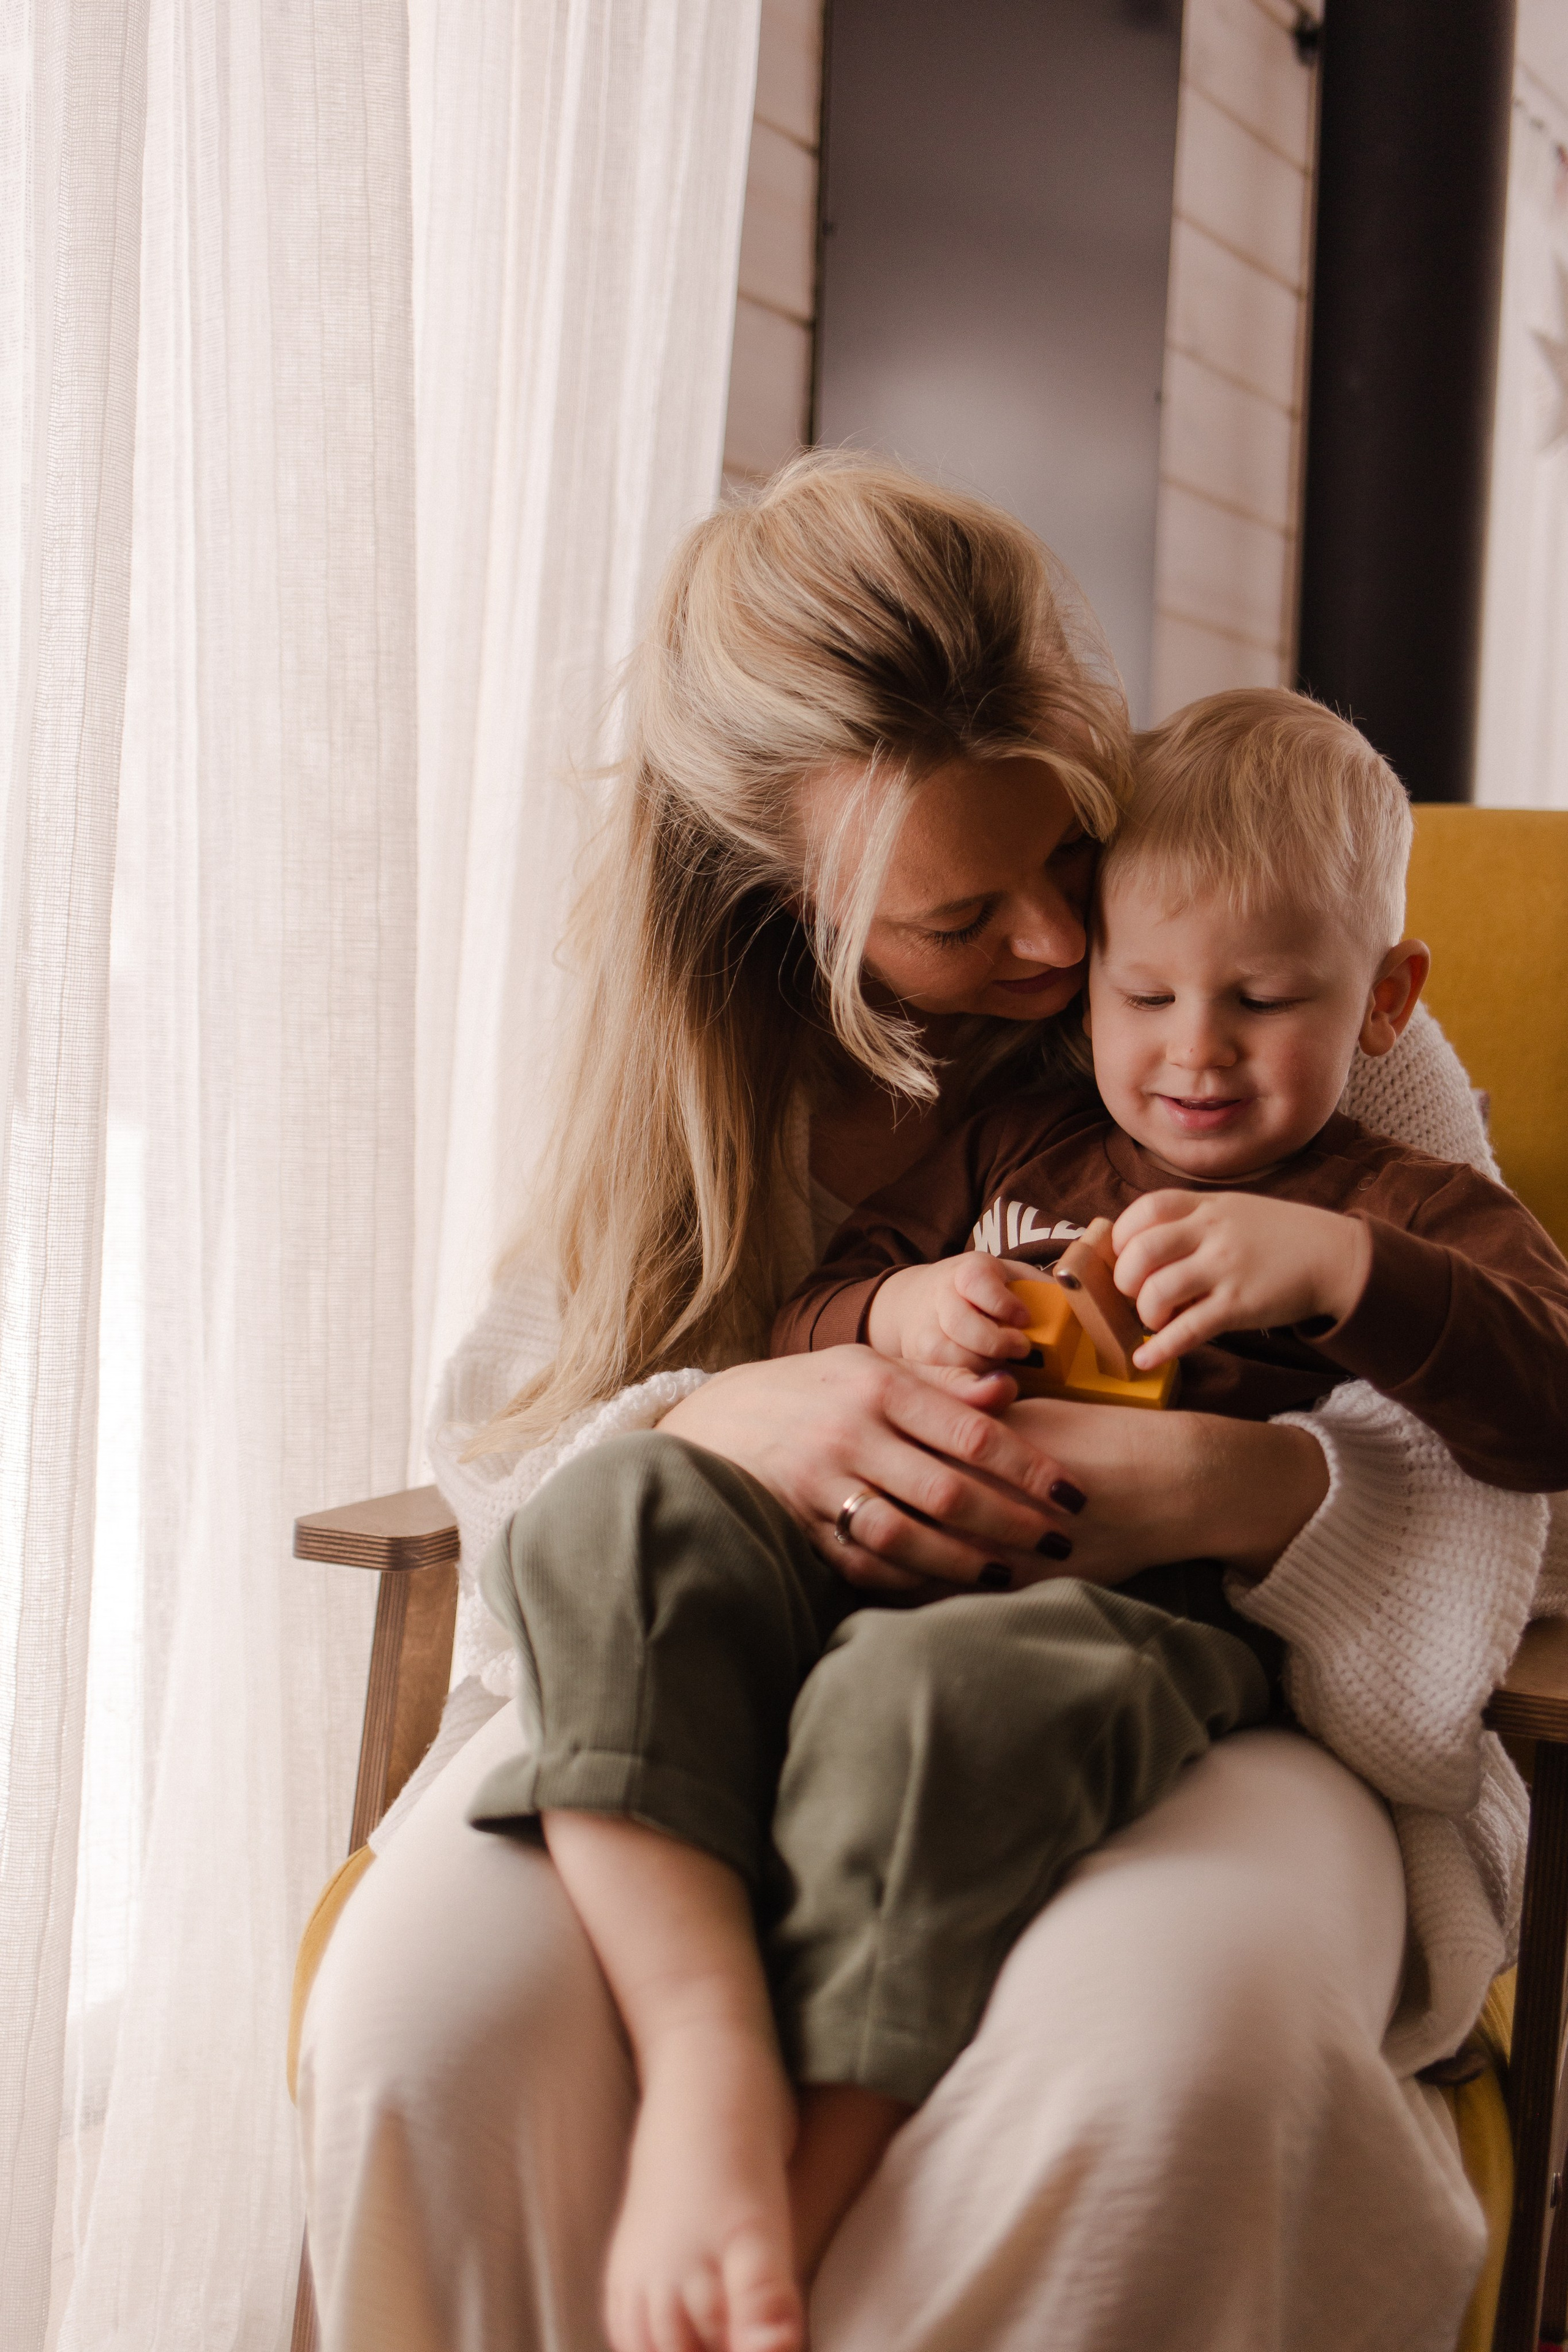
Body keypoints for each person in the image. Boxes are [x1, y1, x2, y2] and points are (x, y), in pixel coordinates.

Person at [296, 456, 1546, 2352]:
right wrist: (738, 1404)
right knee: (426, 2027)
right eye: (967, 923)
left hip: (1152, 1651)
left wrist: (1241, 1485)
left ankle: (778, 2222)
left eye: (1068, 863)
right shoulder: (692, 1054)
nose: (1065, 959)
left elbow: (1508, 1424)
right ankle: (715, 2075)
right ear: (780, 909)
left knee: (1156, 2067)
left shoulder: (1234, 946)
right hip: (746, 1626)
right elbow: (521, 1436)